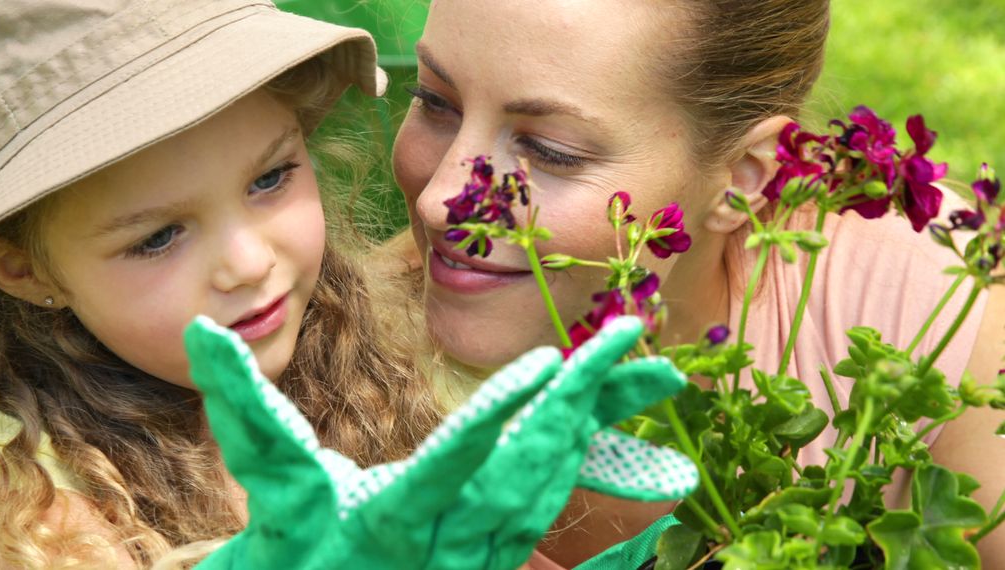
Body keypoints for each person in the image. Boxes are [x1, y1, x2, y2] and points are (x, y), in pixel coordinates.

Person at [0, 2, 694, 568]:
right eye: (158, 236)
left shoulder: (370, 351)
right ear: (21, 268)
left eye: (270, 177)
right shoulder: (25, 483)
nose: (251, 262)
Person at [386, 0, 1005, 566]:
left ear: (745, 176)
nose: (441, 201)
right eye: (434, 101)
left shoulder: (943, 306)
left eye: (552, 150)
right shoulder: (336, 333)